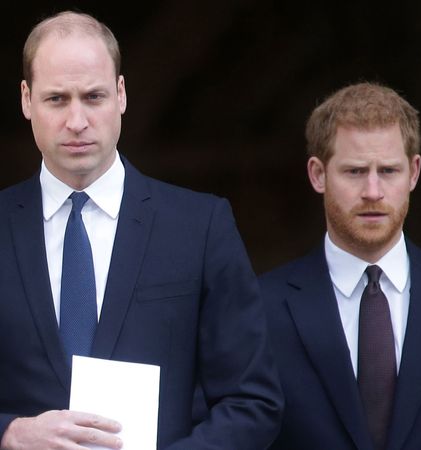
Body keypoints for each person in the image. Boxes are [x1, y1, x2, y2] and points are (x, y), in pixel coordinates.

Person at [0, 10, 283, 450]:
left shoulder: (200, 227)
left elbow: (252, 401)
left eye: (93, 97)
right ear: (25, 99)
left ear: (121, 94)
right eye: (57, 99)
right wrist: (9, 432)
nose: (76, 121)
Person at [260, 82, 421, 450]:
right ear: (318, 174)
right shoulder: (261, 308)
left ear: (414, 172)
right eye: (355, 172)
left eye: (389, 171)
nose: (373, 192)